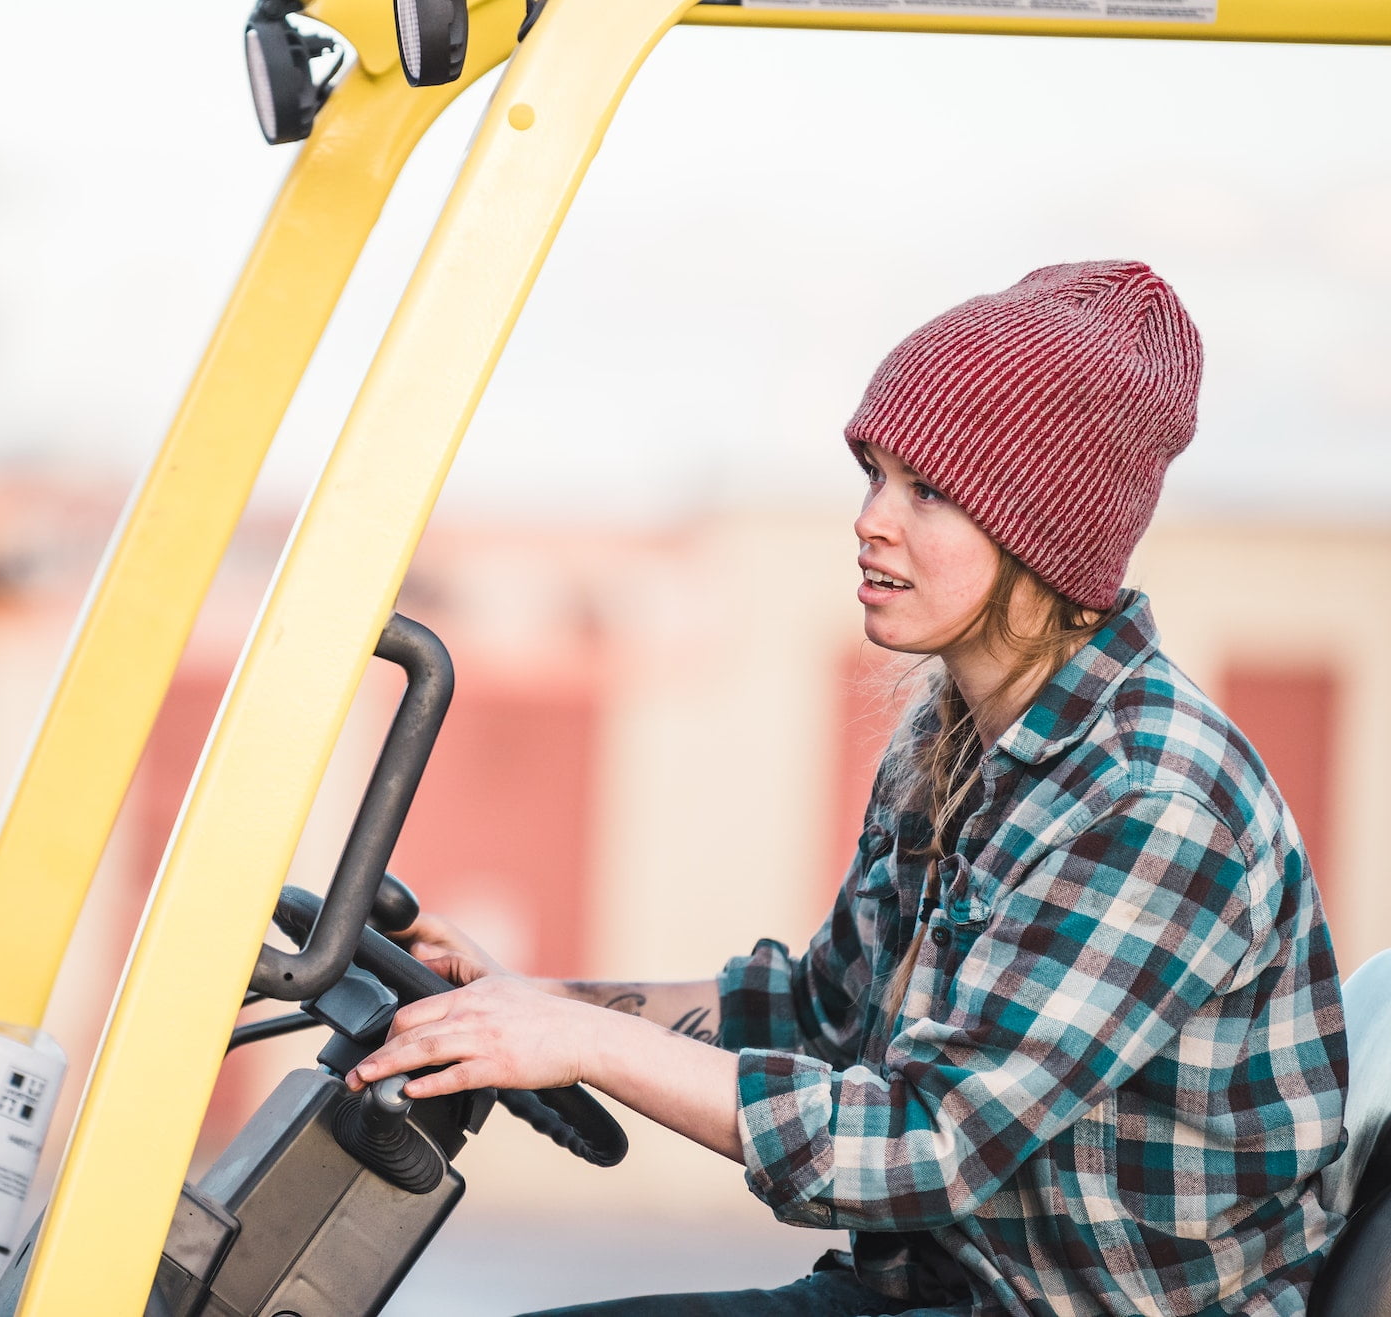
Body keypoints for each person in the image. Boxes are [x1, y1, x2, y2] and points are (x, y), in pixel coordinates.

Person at [348, 261, 1349, 1317]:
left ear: (1041, 533)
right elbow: (817, 1011)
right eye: (872, 474)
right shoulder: (951, 740)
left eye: (927, 492)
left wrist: (585, 1044)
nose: (871, 521)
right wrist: (533, 1003)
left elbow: (922, 1146)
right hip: (928, 1292)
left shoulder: (1147, 803)